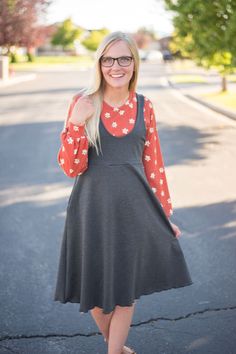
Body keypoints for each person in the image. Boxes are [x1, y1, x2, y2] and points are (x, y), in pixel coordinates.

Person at [54, 31, 193, 354]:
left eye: (124, 59)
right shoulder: (83, 102)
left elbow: (154, 165)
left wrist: (164, 216)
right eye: (109, 59)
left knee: (125, 291)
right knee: (96, 295)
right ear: (100, 63)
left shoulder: (145, 106)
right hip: (91, 209)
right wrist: (76, 124)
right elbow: (70, 167)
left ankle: (114, 351)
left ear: (134, 63)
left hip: (136, 209)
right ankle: (116, 346)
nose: (116, 66)